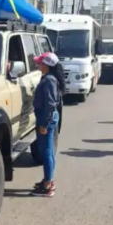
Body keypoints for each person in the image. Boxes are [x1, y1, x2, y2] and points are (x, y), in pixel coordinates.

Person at [30, 52, 65, 197]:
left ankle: (47, 186)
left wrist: (44, 124)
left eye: (40, 63)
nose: (38, 65)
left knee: (46, 152)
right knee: (48, 151)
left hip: (47, 119)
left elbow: (50, 105)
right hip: (48, 118)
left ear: (46, 66)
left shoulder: (49, 80)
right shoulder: (48, 78)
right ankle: (48, 181)